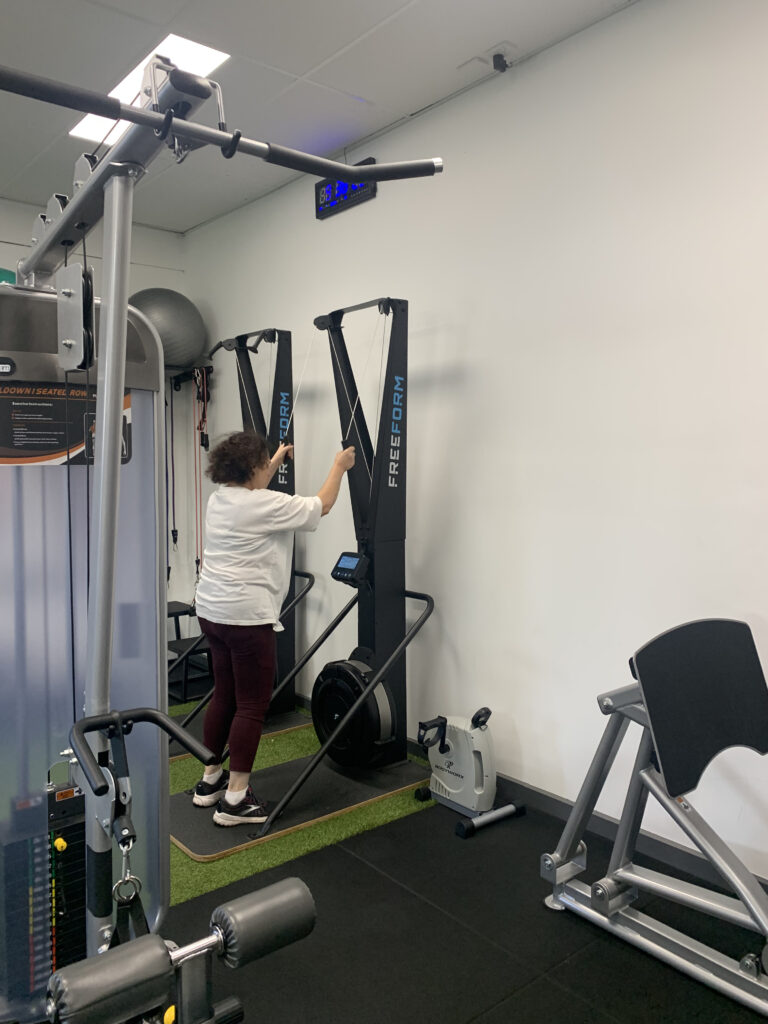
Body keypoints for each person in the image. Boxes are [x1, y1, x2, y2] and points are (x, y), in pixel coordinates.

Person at [191, 431, 355, 826]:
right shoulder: (266, 504)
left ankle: (209, 781)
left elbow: (255, 484)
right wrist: (339, 465)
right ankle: (235, 801)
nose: (269, 467)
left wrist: (277, 456)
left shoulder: (219, 500)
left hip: (211, 612)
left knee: (225, 694)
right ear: (253, 468)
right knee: (251, 705)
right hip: (246, 618)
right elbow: (323, 504)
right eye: (266, 463)